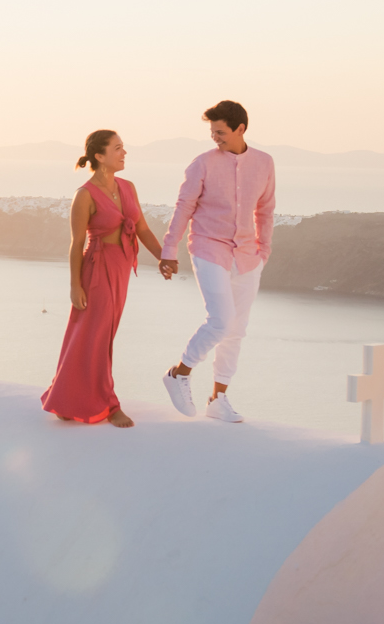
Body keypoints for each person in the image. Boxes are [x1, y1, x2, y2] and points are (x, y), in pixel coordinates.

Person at [42, 129, 176, 427]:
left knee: (99, 334)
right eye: (117, 148)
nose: (124, 153)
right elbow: (76, 245)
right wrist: (75, 285)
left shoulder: (128, 186)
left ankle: (67, 399)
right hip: (97, 270)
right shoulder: (84, 196)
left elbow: (141, 228)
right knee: (95, 336)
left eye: (123, 147)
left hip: (121, 267)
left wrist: (163, 257)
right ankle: (109, 404)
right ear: (100, 156)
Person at [161, 101, 275, 423]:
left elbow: (265, 210)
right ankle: (178, 373)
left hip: (248, 255)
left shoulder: (265, 163)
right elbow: (184, 207)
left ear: (240, 129)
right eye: (212, 132)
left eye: (221, 132)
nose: (215, 138)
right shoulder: (202, 164)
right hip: (209, 247)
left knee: (236, 330)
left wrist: (263, 252)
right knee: (221, 320)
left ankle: (218, 399)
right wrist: (169, 250)